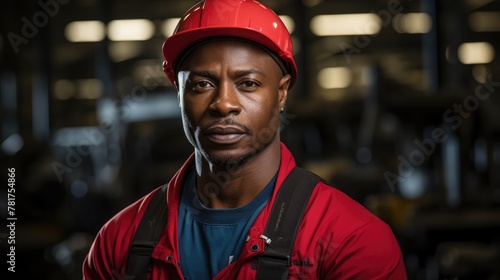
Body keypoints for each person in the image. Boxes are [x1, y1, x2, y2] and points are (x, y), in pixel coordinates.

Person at [82, 0, 407, 279]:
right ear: (179, 94)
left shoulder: (354, 241)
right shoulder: (119, 242)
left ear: (281, 94)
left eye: (248, 83)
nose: (224, 103)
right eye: (201, 84)